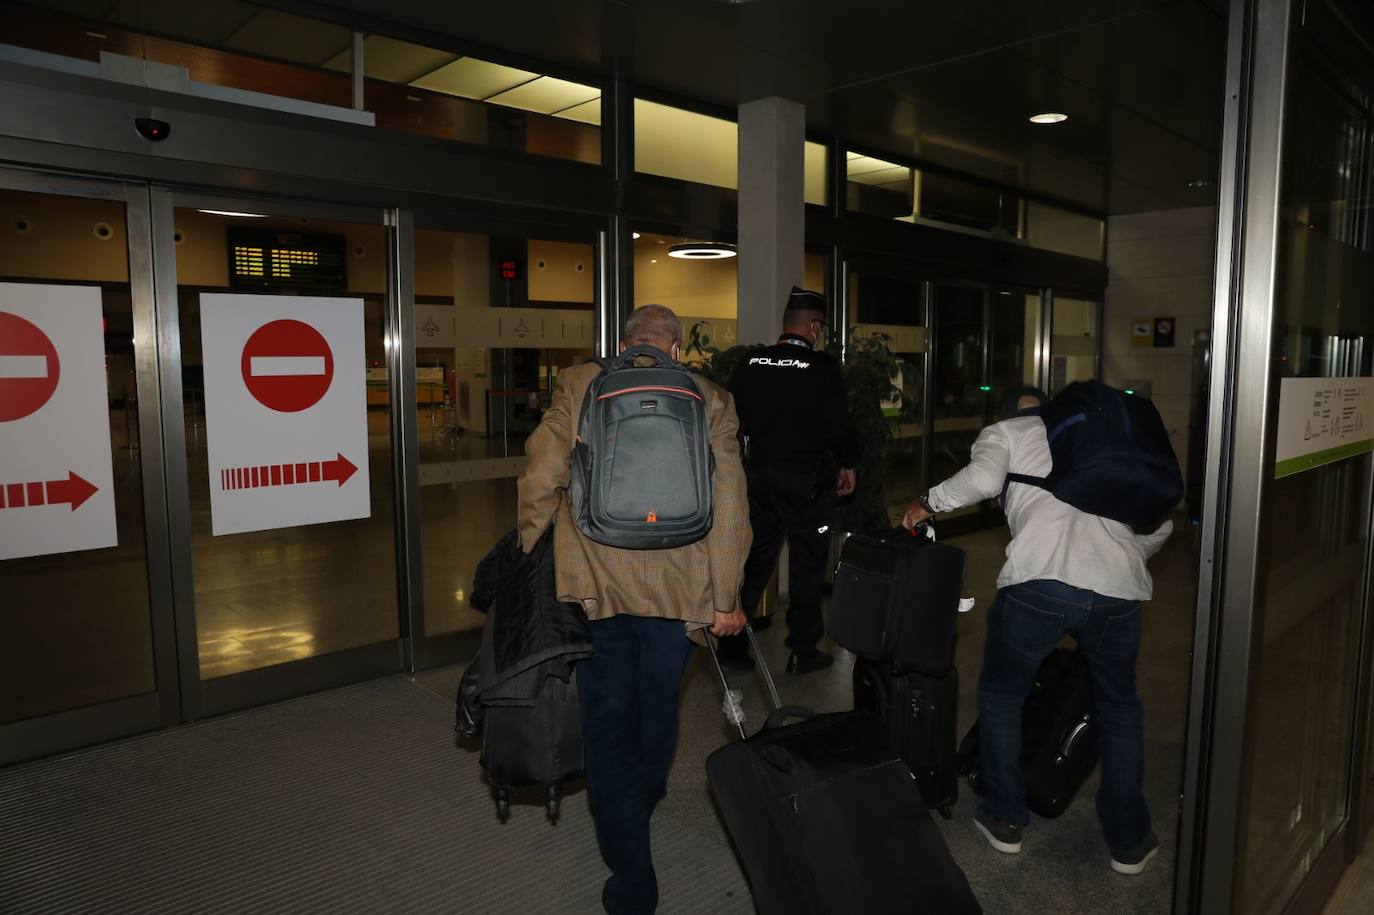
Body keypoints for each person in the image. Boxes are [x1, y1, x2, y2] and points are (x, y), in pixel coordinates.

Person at [518, 304, 751, 915]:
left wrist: (526, 548)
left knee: (606, 716)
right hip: (681, 593)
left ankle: (630, 873)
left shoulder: (579, 382)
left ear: (622, 343)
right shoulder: (711, 397)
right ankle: (641, 795)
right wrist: (725, 596)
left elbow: (542, 472)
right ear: (675, 348)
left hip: (598, 584)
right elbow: (730, 505)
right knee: (658, 708)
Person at [901, 385, 1172, 876]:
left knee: (1004, 695)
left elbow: (982, 481)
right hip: (1120, 591)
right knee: (1119, 707)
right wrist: (1120, 560)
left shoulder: (1004, 431)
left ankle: (1006, 818)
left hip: (1039, 583)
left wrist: (927, 502)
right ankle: (1129, 840)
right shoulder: (1102, 439)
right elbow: (1158, 525)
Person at [722, 286, 860, 675]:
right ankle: (802, 649)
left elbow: (731, 419)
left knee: (755, 559)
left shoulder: (750, 363)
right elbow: (840, 426)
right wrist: (849, 465)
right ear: (814, 326)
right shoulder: (822, 368)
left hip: (758, 481)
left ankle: (732, 644)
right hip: (806, 484)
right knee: (807, 564)